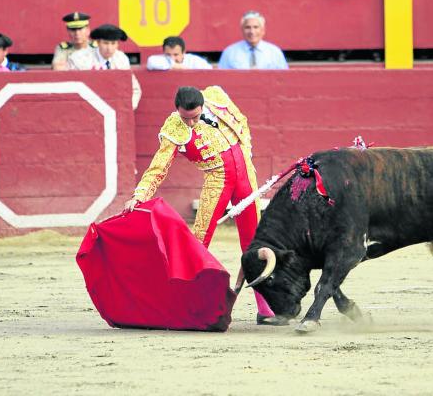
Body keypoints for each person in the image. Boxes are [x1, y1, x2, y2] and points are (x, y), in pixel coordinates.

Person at [122, 85, 282, 325]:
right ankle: (188, 303)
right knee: (198, 242)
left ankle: (265, 307)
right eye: (185, 118)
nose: (190, 123)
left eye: (195, 117)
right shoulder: (174, 127)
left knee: (254, 241)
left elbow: (242, 121)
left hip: (245, 176)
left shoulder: (216, 97)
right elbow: (159, 165)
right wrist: (140, 195)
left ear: (203, 106)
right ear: (177, 110)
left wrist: (246, 153)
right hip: (217, 180)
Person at [67, 23, 142, 110]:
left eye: (113, 43)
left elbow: (135, 89)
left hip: (116, 108)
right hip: (87, 108)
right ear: (98, 43)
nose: (109, 48)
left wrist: (127, 108)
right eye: (105, 43)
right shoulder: (79, 59)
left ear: (117, 44)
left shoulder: (121, 59)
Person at [218, 11, 288, 69]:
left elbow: (284, 79)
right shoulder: (230, 53)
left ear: (263, 30)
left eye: (256, 27)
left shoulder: (275, 53)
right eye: (247, 27)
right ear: (242, 30)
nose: (252, 32)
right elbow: (221, 79)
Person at [146, 36, 212, 70]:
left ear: (183, 52)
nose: (172, 58)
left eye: (176, 54)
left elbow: (209, 70)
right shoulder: (161, 60)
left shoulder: (194, 61)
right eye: (168, 54)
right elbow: (150, 62)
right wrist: (174, 66)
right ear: (164, 53)